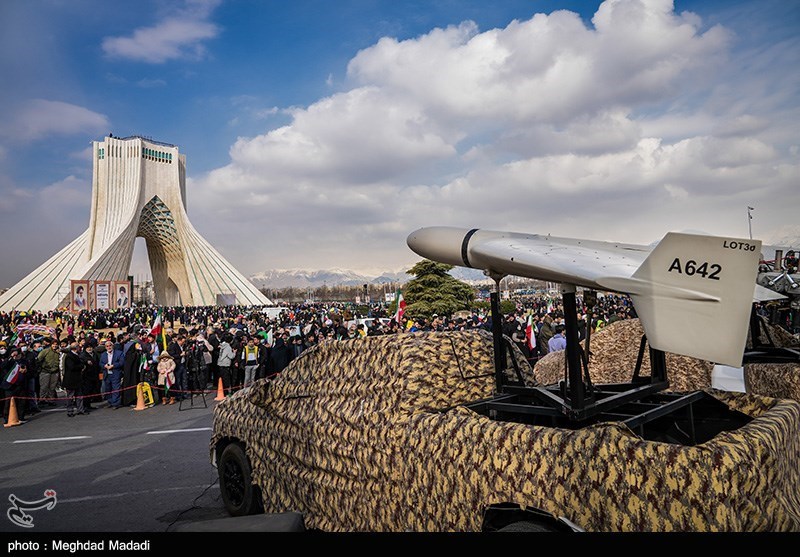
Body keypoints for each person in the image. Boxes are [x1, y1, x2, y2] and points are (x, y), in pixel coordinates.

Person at [2, 348, 28, 424]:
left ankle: (21, 417)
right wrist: (11, 357)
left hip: (21, 384)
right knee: (8, 402)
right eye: (14, 354)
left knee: (21, 402)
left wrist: (25, 371)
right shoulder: (9, 361)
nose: (16, 356)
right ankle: (7, 419)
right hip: (9, 385)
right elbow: (3, 366)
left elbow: (30, 371)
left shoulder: (24, 361)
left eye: (17, 354)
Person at [62, 342, 86, 417]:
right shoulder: (69, 356)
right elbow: (71, 367)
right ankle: (70, 411)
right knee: (70, 396)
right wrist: (81, 366)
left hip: (77, 379)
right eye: (78, 346)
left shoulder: (77, 355)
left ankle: (80, 409)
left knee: (79, 395)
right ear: (76, 348)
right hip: (71, 379)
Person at [99, 340, 124, 409]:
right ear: (105, 347)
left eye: (110, 345)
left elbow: (121, 362)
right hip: (107, 374)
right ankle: (110, 402)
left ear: (112, 346)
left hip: (115, 373)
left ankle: (116, 403)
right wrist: (105, 366)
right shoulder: (103, 354)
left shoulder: (119, 353)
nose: (109, 347)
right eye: (107, 346)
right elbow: (100, 363)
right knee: (108, 389)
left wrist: (113, 366)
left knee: (116, 388)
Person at [36, 338, 60, 407]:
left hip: (54, 372)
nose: (55, 346)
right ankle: (42, 400)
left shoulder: (59, 352)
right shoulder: (45, 351)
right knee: (44, 387)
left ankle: (51, 400)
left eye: (56, 344)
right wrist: (41, 367)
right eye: (53, 344)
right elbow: (38, 359)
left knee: (52, 387)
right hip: (45, 371)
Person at [121, 341, 143, 407]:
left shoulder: (134, 354)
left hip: (134, 374)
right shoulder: (130, 355)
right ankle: (129, 401)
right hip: (130, 375)